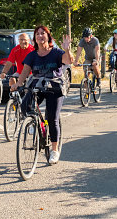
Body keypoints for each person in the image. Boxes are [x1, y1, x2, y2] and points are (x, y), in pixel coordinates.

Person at [11, 25, 73, 164]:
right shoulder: (32, 55)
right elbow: (25, 72)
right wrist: (18, 84)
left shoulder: (56, 52)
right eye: (37, 34)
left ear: (48, 37)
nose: (40, 36)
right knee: (25, 104)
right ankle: (33, 123)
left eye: (43, 33)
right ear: (35, 39)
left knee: (52, 118)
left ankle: (54, 150)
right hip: (38, 86)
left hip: (54, 87)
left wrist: (67, 49)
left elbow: (68, 61)